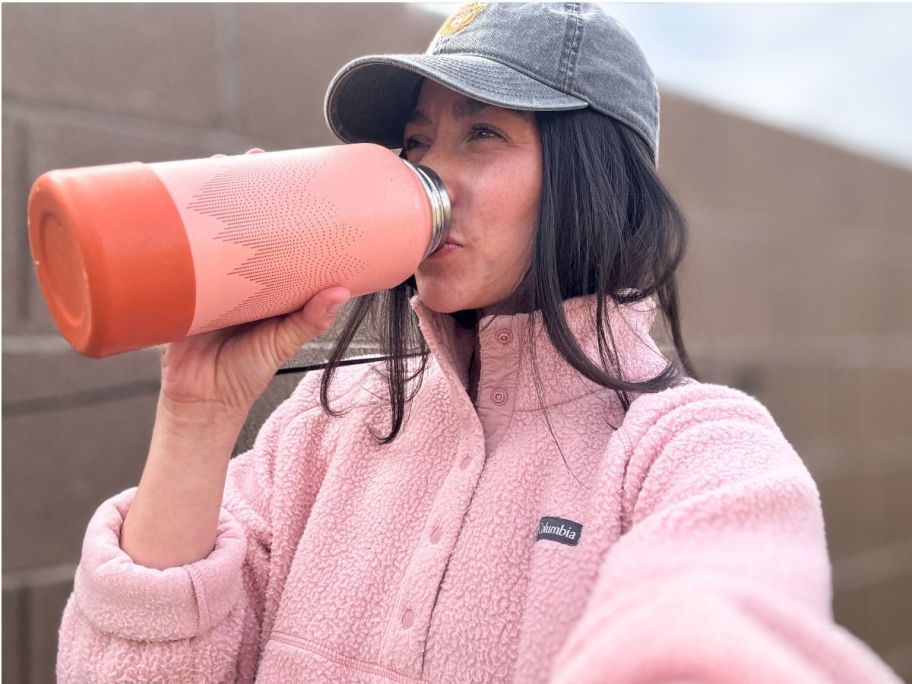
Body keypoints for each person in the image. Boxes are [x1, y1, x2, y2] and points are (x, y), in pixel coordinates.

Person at [57, 4, 900, 683]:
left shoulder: (695, 452)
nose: (425, 177)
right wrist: (197, 415)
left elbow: (715, 633)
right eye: (416, 143)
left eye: (481, 134)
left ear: (594, 178)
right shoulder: (319, 434)